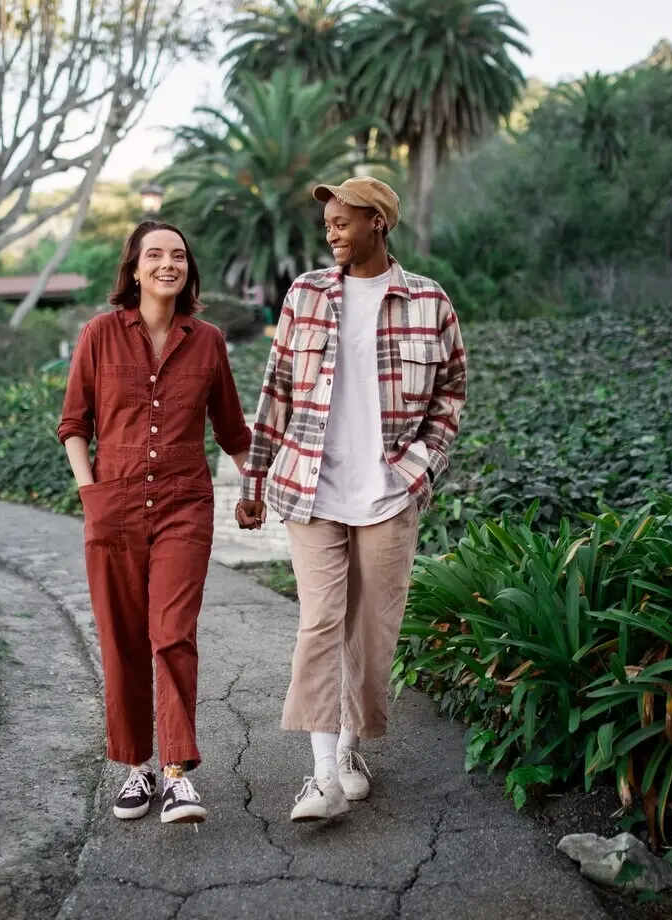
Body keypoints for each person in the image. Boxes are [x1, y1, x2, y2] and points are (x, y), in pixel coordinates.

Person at [236, 176, 467, 822]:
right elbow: (276, 387)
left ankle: (349, 750)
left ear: (379, 223)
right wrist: (255, 480)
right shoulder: (306, 294)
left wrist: (419, 468)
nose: (331, 232)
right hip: (311, 487)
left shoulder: (428, 301)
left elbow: (452, 393)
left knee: (370, 632)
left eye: (343, 221)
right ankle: (320, 776)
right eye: (328, 223)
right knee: (319, 622)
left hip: (389, 494)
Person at [58, 221, 252, 824]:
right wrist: (90, 492)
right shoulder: (98, 335)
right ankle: (135, 769)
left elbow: (231, 430)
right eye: (155, 255)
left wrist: (258, 485)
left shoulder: (208, 341)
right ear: (135, 270)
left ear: (188, 270)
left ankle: (175, 774)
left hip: (183, 507)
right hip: (112, 507)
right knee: (121, 639)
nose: (168, 263)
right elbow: (74, 425)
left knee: (171, 632)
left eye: (178, 255)